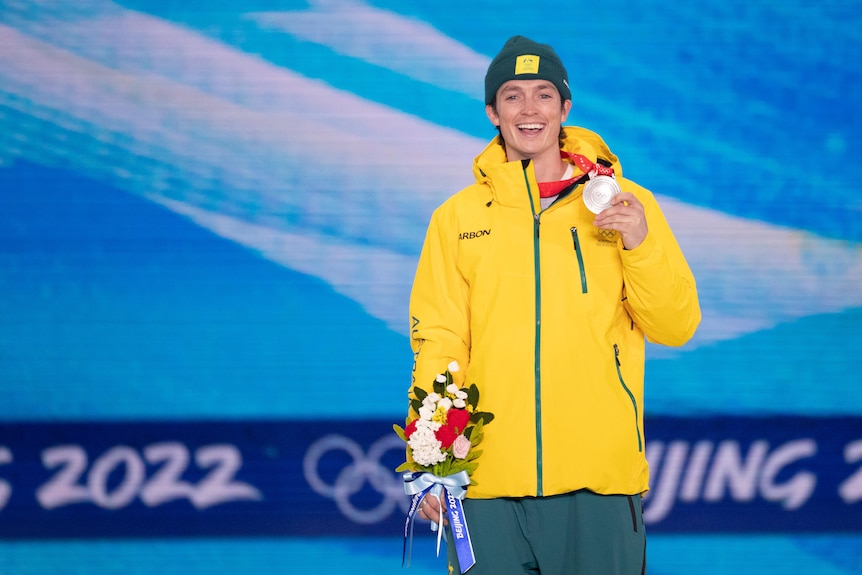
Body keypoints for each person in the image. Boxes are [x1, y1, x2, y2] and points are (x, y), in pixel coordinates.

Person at [406, 35, 701, 574]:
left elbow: (676, 325)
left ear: (565, 109)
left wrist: (641, 244)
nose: (529, 110)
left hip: (598, 483)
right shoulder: (456, 219)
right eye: (512, 96)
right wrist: (429, 460)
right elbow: (441, 342)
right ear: (493, 113)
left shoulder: (628, 205)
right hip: (486, 485)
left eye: (543, 94)